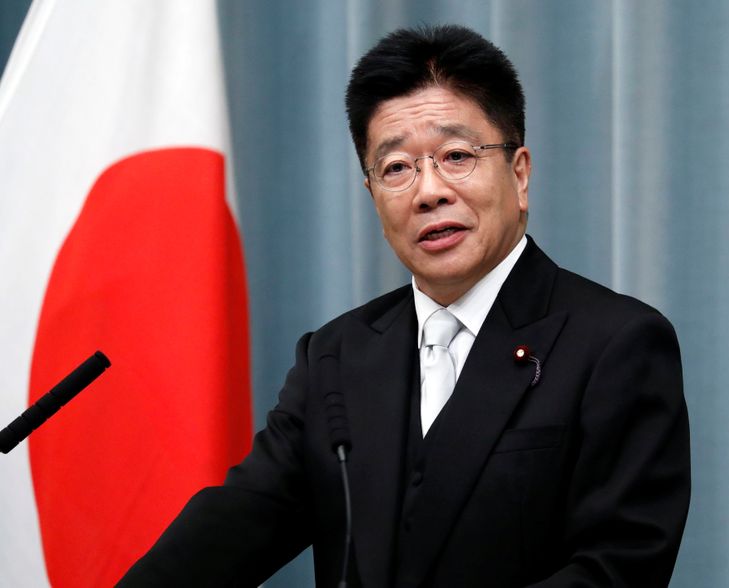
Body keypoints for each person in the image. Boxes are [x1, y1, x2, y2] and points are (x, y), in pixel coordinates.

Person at [119, 24, 690, 587]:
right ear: (372, 193)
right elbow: (237, 524)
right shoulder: (336, 356)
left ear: (519, 175)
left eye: (456, 156)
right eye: (396, 168)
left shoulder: (616, 342)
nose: (428, 191)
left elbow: (619, 567)